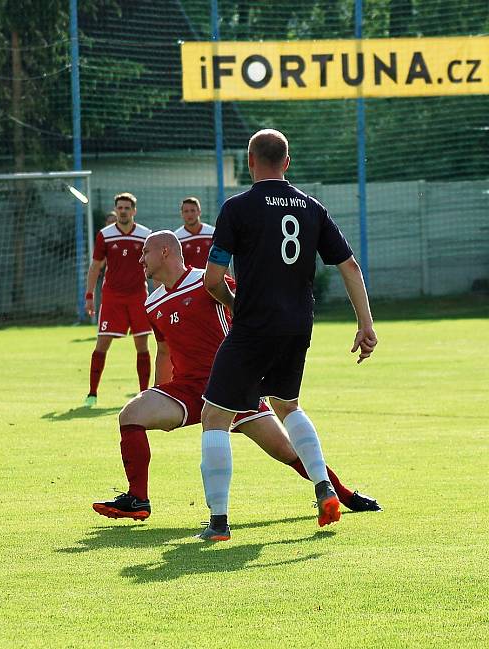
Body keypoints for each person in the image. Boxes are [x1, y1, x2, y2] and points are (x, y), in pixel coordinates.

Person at [92, 231, 380, 523]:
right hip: (188, 389)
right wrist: (160, 392)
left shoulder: (208, 281)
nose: (140, 259)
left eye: (145, 253)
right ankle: (138, 499)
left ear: (165, 251)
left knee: (286, 451)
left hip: (231, 384)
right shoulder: (152, 303)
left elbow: (249, 309)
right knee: (132, 414)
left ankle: (344, 495)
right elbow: (164, 350)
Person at [199, 128, 378, 541]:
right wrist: (365, 325)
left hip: (254, 325)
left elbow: (212, 280)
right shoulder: (311, 207)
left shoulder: (237, 208)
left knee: (215, 416)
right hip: (298, 324)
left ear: (249, 162)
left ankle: (218, 523)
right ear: (287, 161)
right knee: (287, 404)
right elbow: (349, 266)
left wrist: (231, 300)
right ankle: (323, 486)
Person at [84, 193, 152, 407]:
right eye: (119, 207)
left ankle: (144, 394)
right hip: (113, 298)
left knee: (142, 345)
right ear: (116, 210)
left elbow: (153, 266)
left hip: (138, 297)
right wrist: (89, 295)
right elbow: (96, 266)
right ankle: (92, 394)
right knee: (102, 344)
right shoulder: (105, 235)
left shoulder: (145, 235)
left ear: (134, 211)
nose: (123, 211)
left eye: (126, 207)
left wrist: (161, 294)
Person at [174, 196, 215, 269]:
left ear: (199, 212)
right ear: (182, 214)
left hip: (211, 279)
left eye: (192, 210)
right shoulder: (176, 238)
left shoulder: (212, 233)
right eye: (186, 211)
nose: (189, 214)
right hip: (188, 280)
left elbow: (221, 260)